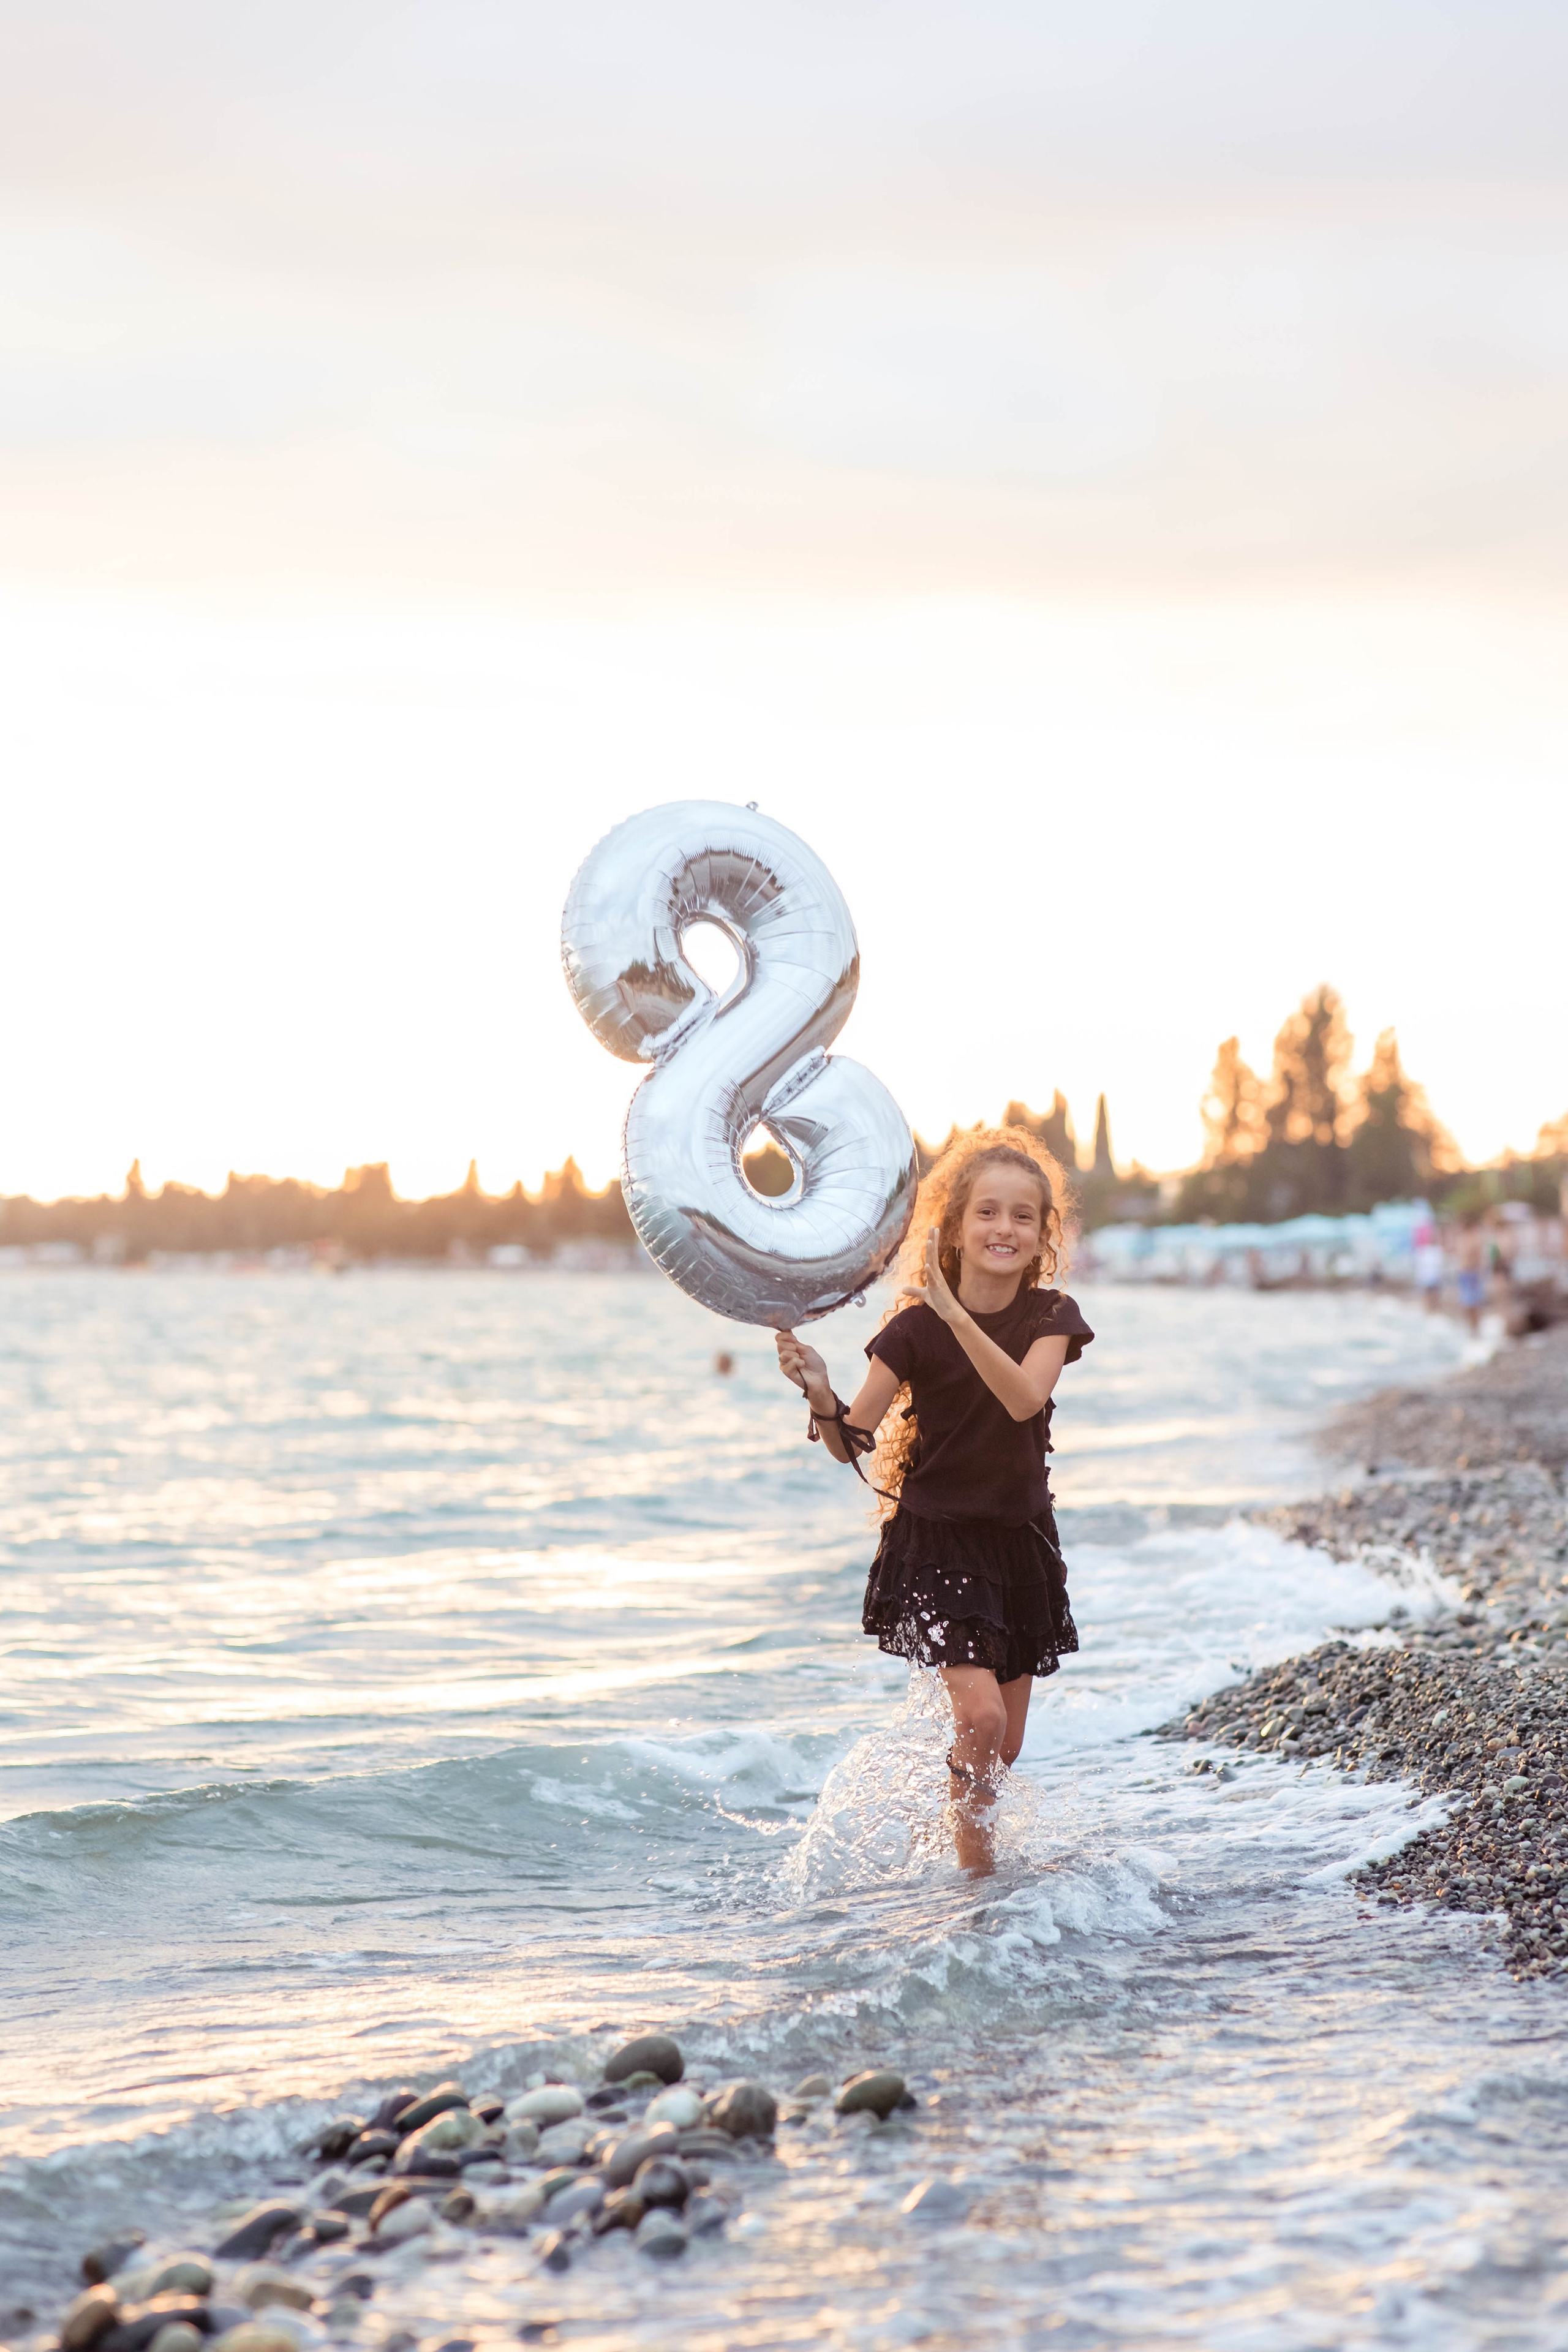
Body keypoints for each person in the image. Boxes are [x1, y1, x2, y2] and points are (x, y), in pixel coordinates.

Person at [775, 1128, 1093, 1874]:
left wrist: (956, 1316)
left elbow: (1023, 1401)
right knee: (979, 1716)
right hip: (936, 1543)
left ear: (1042, 1235)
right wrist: (821, 1389)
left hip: (1020, 1545)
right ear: (953, 1226)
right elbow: (850, 1441)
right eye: (987, 1212)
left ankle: (958, 1843)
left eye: (1022, 1216)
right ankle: (973, 1877)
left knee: (1004, 1745)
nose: (1003, 1229)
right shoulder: (913, 1328)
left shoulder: (1052, 1317)